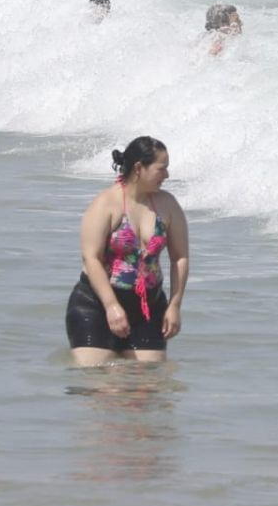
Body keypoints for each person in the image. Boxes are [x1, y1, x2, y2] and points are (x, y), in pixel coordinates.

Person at [64, 136, 190, 366]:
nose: (167, 175)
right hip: (96, 305)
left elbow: (179, 257)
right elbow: (90, 258)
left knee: (149, 387)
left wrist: (174, 305)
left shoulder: (168, 204)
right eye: (162, 169)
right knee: (101, 386)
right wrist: (112, 306)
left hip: (148, 308)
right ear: (139, 168)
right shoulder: (106, 203)